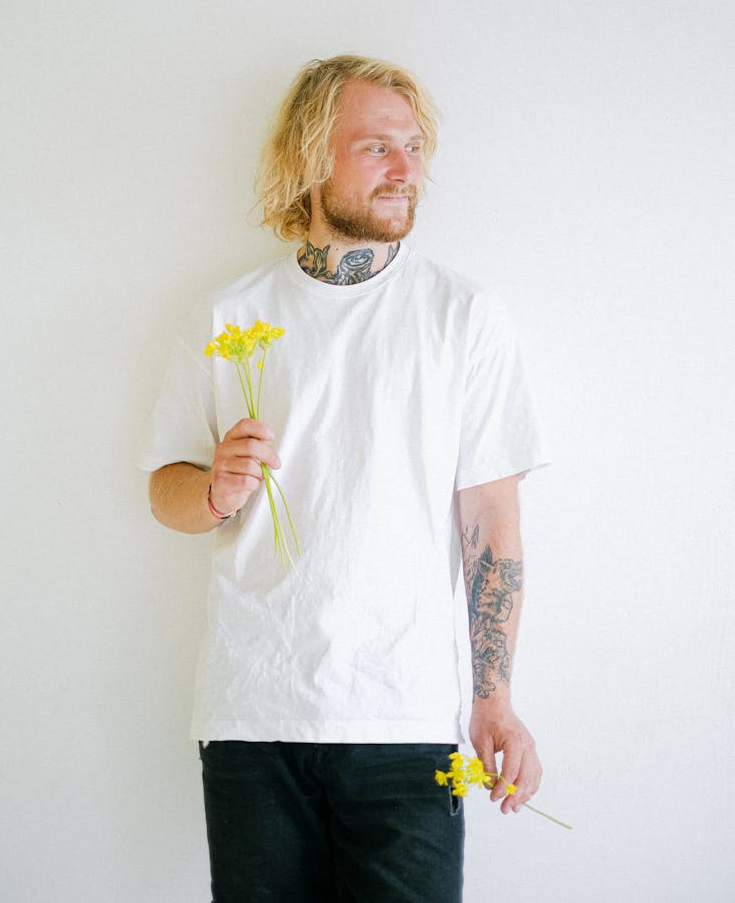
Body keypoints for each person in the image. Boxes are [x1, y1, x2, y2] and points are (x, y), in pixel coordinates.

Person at [140, 54, 549, 902]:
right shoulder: (229, 317)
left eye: (414, 146)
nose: (407, 170)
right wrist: (216, 487)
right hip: (254, 719)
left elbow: (492, 528)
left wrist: (495, 702)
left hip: (406, 723)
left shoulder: (463, 317)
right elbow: (165, 493)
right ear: (308, 161)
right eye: (376, 147)